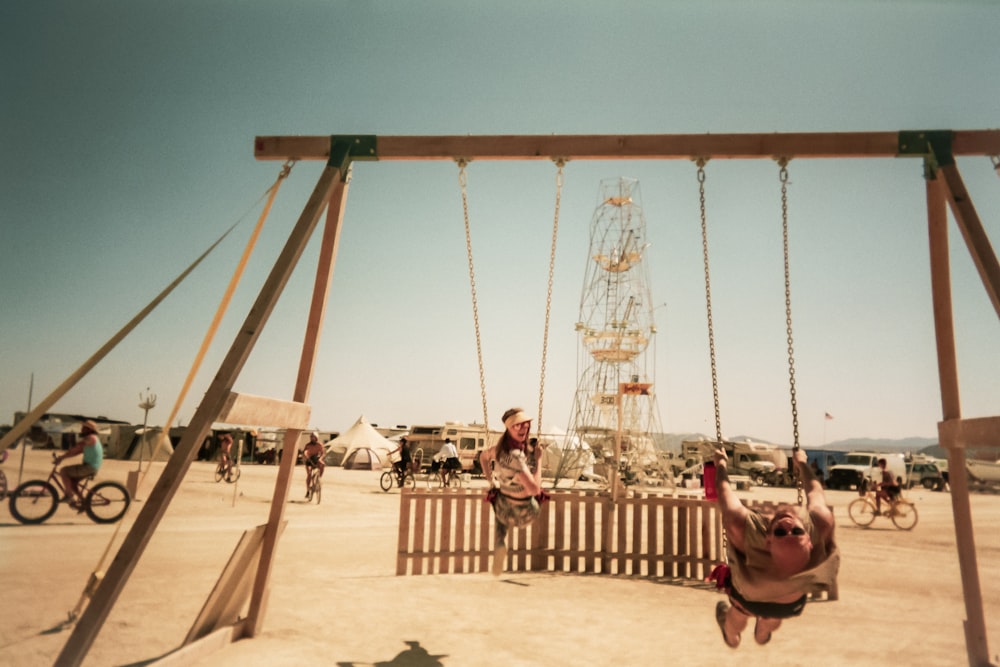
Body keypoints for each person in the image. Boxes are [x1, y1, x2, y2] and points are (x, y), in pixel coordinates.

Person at [709, 446, 838, 648]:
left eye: (780, 532)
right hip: (789, 605)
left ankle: (731, 635)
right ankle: (763, 632)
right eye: (795, 531)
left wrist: (721, 464)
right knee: (773, 614)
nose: (787, 526)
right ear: (809, 541)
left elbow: (724, 491)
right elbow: (815, 490)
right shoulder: (821, 524)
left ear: (767, 541)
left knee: (738, 613)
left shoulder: (740, 527)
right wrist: (802, 463)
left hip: (748, 598)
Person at [479, 407, 548, 576]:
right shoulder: (516, 456)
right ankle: (501, 541)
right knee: (537, 496)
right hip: (525, 513)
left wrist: (491, 480)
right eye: (517, 425)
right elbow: (534, 489)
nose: (522, 428)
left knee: (499, 499)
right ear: (509, 428)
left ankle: (500, 541)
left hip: (504, 511)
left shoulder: (498, 450)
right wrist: (539, 461)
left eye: (525, 425)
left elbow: (483, 457)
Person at [56, 420, 103, 508]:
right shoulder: (91, 439)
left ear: (88, 429)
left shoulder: (91, 438)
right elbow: (76, 452)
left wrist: (61, 458)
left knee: (64, 471)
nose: (81, 429)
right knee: (73, 484)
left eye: (84, 428)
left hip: (89, 467)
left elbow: (77, 448)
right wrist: (62, 457)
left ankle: (69, 496)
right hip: (90, 466)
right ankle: (83, 502)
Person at [302, 431, 326, 499]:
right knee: (309, 474)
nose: (312, 438)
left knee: (322, 464)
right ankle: (308, 491)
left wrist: (320, 459)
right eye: (311, 437)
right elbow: (305, 452)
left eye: (313, 437)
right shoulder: (308, 445)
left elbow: (323, 453)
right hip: (309, 460)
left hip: (316, 459)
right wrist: (306, 455)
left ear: (316, 438)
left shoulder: (319, 445)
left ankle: (319, 478)